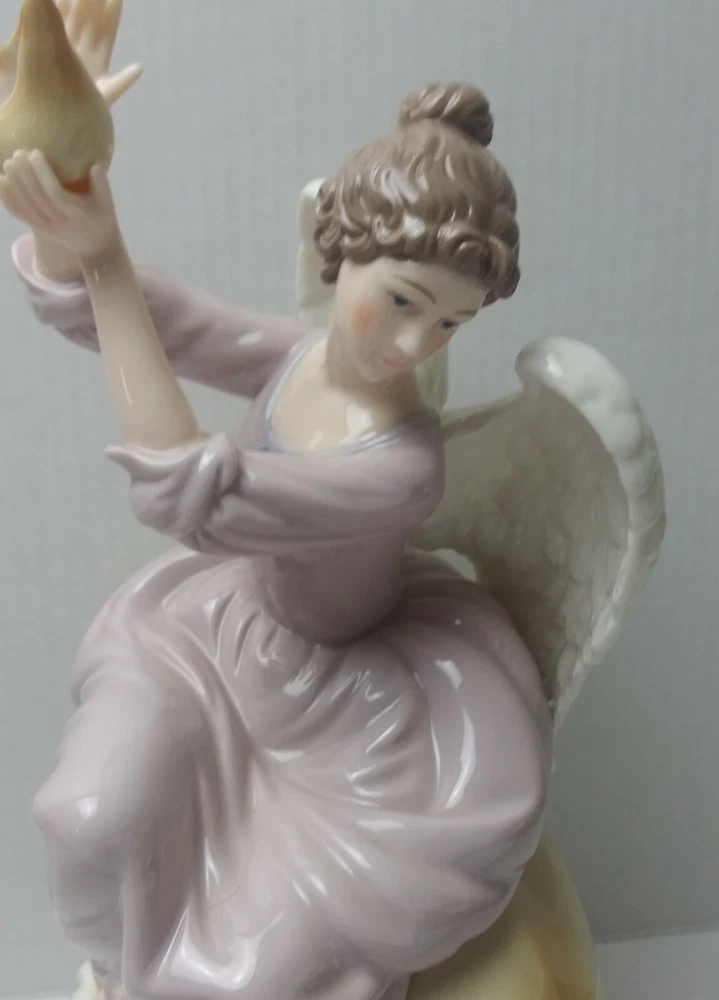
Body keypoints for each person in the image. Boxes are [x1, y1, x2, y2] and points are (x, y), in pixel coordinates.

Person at [3, 66, 552, 1000]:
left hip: (359, 717)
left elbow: (198, 499)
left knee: (257, 975)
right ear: (345, 254)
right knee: (87, 820)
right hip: (219, 646)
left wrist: (104, 258)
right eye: (404, 300)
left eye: (449, 324)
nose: (413, 347)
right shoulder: (296, 357)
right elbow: (150, 318)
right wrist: (77, 235)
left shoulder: (403, 465)